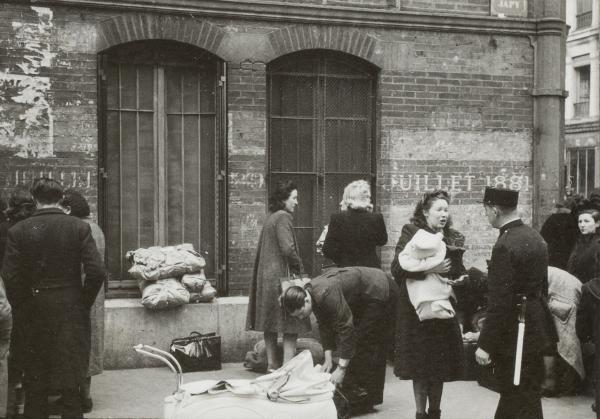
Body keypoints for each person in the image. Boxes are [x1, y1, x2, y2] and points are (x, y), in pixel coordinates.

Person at [1, 178, 106, 419]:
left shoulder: (19, 230)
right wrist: (82, 302)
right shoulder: (79, 227)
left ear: (35, 199)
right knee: (71, 382)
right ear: (60, 199)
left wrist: (24, 305)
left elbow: (10, 275)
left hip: (34, 311)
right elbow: (97, 272)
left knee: (36, 381)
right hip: (71, 309)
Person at [475, 186, 557, 419]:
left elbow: (500, 301)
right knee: (528, 393)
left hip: (514, 331)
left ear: (494, 209)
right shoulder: (536, 237)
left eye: (486, 210)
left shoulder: (504, 245)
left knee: (513, 391)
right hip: (537, 325)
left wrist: (485, 343)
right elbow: (543, 287)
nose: (486, 215)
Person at [280, 266, 398, 415]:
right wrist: (328, 359)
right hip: (365, 295)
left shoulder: (325, 293)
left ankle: (366, 398)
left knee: (366, 341)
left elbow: (346, 327)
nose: (301, 318)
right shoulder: (310, 293)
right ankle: (360, 395)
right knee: (358, 342)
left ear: (305, 300)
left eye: (301, 313)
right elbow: (324, 324)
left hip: (380, 289)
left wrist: (341, 369)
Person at [391, 190, 467, 419]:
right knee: (420, 367)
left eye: (446, 210)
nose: (444, 214)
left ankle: (435, 414)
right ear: (425, 212)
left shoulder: (451, 236)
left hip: (442, 309)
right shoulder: (411, 232)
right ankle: (420, 414)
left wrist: (461, 278)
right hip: (417, 311)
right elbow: (397, 268)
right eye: (439, 210)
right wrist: (429, 269)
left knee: (438, 367)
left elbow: (457, 267)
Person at [47, 189, 105, 413]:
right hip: (94, 295)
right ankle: (84, 395)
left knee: (78, 346)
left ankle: (81, 398)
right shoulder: (95, 228)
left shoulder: (81, 229)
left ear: (69, 209)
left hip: (81, 294)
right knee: (89, 345)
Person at [246, 180, 310, 371]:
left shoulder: (271, 217)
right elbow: (288, 249)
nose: (297, 202)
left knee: (270, 324)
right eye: (294, 198)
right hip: (282, 278)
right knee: (291, 323)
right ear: (283, 200)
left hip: (267, 278)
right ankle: (287, 368)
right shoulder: (283, 217)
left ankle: (272, 366)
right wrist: (300, 270)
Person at [0, 186, 35, 419]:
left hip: (7, 295)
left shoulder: (6, 228)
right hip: (20, 299)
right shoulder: (25, 231)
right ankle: (16, 405)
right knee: (19, 353)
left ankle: (10, 405)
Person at [322, 180, 387, 268]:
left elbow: (327, 250)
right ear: (367, 198)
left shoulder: (338, 218)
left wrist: (342, 259)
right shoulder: (377, 218)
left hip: (346, 269)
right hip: (371, 269)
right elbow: (382, 241)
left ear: (348, 198)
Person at [540, 195, 582, 270]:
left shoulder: (551, 219)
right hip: (568, 255)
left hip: (552, 254)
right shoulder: (573, 220)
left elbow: (543, 236)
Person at [567, 206, 600, 284]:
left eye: (586, 221)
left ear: (597, 223)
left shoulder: (598, 244)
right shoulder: (579, 242)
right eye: (580, 221)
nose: (582, 225)